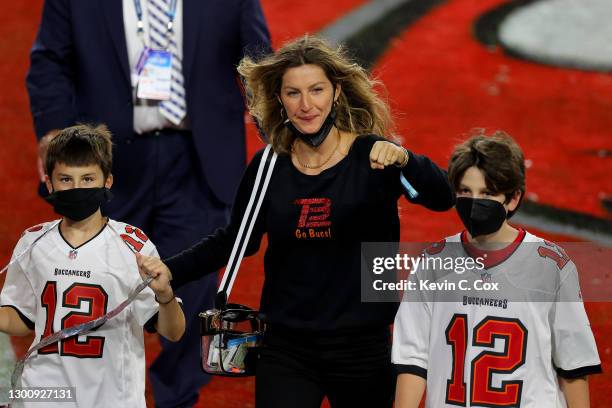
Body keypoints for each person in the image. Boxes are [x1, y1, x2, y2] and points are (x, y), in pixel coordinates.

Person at [138, 35, 455, 407]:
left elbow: (443, 199)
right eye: (293, 93)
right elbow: (236, 240)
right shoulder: (269, 165)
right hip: (286, 348)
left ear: (336, 92)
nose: (306, 105)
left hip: (363, 348)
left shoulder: (374, 157)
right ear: (279, 99)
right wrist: (168, 272)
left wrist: (406, 159)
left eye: (316, 90)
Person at [25, 1, 271, 406]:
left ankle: (177, 398)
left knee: (191, 293)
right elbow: (50, 59)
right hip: (107, 160)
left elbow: (258, 58)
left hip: (199, 159)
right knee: (96, 284)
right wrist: (53, 128)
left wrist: (279, 131)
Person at [392, 131, 602, 408]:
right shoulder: (433, 263)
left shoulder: (551, 266)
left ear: (513, 199)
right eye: (465, 191)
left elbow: (573, 365)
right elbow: (413, 361)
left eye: (487, 193)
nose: (474, 201)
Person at [0, 124, 185, 408]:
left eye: (87, 179)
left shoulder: (132, 246)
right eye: (66, 179)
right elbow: (21, 320)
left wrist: (165, 295)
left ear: (107, 181)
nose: (77, 188)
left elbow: (173, 331)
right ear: (49, 183)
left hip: (112, 399)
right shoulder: (33, 242)